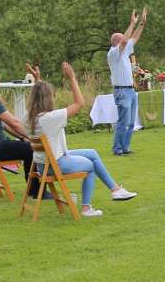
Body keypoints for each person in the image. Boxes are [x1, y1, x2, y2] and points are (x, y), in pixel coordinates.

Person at [27, 62, 136, 216]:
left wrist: (38, 80)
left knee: (91, 153)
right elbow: (79, 103)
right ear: (47, 99)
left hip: (42, 163)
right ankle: (86, 208)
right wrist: (72, 79)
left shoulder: (29, 117)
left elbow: (38, 93)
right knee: (90, 165)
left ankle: (116, 190)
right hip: (55, 164)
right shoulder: (50, 118)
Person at [106, 7, 147, 156]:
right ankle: (117, 149)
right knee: (123, 122)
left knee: (130, 123)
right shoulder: (113, 53)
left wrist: (141, 23)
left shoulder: (124, 52)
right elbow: (125, 40)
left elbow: (134, 38)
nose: (126, 39)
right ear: (116, 42)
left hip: (130, 90)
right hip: (122, 91)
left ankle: (125, 147)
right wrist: (132, 23)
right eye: (123, 38)